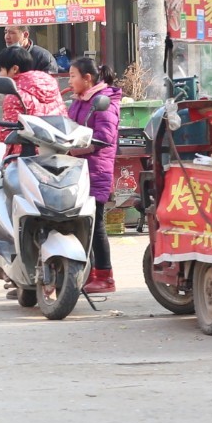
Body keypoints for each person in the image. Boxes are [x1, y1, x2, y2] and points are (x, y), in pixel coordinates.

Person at [66, 57, 122, 295]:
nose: (70, 81)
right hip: (77, 169)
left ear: (87, 78)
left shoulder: (104, 102)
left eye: (72, 76)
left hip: (95, 170)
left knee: (95, 223)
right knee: (80, 223)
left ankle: (105, 275)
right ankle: (87, 273)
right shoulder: (80, 100)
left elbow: (105, 137)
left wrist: (74, 148)